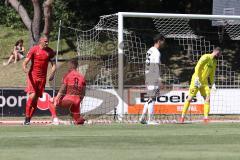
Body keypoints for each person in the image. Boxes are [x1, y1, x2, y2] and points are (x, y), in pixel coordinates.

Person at [180, 47, 222, 123]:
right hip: (196, 80)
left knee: (208, 98)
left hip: (204, 82)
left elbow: (212, 74)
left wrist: (213, 84)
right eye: (220, 54)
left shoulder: (214, 62)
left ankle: (206, 118)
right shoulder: (206, 57)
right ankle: (182, 117)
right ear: (217, 52)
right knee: (189, 98)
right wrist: (196, 78)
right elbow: (197, 67)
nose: (220, 56)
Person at [22, 37, 57, 125]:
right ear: (40, 42)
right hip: (33, 77)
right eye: (45, 41)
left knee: (35, 100)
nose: (47, 43)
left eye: (47, 41)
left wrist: (52, 74)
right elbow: (25, 62)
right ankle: (26, 118)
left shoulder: (50, 51)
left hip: (42, 78)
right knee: (32, 96)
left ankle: (28, 120)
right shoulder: (34, 49)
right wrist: (25, 69)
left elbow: (53, 65)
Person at [50, 59, 86, 125]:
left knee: (51, 101)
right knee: (77, 119)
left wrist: (57, 98)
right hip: (77, 100)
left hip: (69, 99)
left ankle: (55, 120)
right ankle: (80, 120)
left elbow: (63, 88)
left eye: (68, 65)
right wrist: (80, 101)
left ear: (71, 65)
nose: (67, 67)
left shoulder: (68, 75)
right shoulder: (82, 76)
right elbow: (83, 92)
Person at [139, 34, 165, 125]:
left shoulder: (149, 50)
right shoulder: (156, 52)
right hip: (152, 75)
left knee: (150, 97)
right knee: (152, 97)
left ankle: (142, 118)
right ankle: (150, 119)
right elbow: (156, 66)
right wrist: (159, 79)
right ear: (159, 41)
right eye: (163, 41)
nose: (163, 43)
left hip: (148, 74)